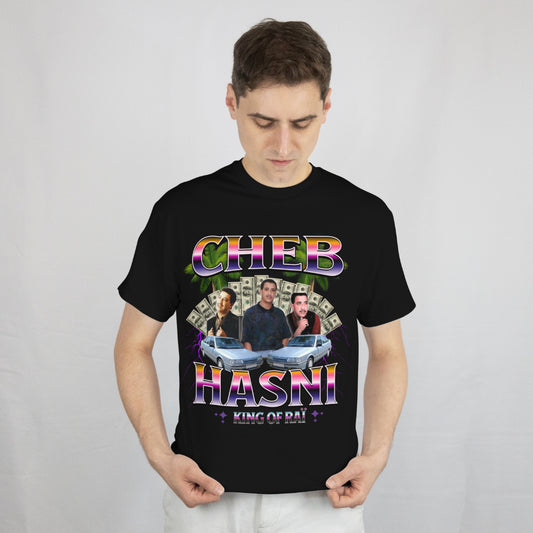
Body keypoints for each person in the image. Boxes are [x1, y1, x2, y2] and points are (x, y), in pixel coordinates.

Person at [115, 18, 415, 532]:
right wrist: (160, 455)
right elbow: (133, 345)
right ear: (231, 102)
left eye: (302, 123)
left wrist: (377, 452)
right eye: (263, 121)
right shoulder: (181, 212)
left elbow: (386, 351)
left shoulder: (364, 217)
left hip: (324, 496)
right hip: (206, 495)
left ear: (327, 106)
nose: (283, 145)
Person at [241, 279, 291, 357]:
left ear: (275, 293)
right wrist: (252, 358)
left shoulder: (279, 313)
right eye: (266, 289)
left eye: (273, 290)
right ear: (261, 291)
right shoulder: (250, 313)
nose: (269, 293)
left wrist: (280, 352)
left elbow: (286, 335)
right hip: (257, 355)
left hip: (277, 355)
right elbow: (246, 340)